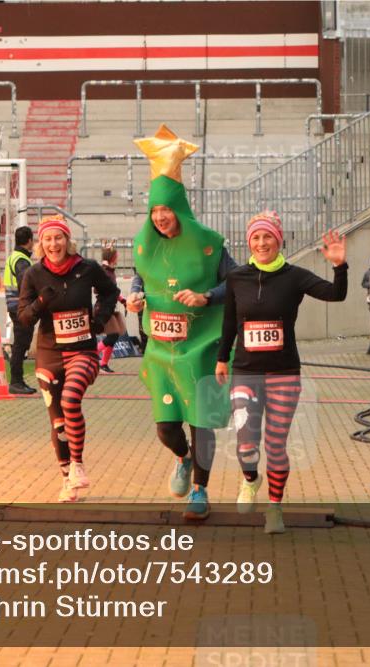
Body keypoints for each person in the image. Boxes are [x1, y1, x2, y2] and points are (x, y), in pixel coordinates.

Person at [126, 124, 237, 520]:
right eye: (154, 212)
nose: (160, 218)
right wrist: (135, 295)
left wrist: (207, 296)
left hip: (203, 345)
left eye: (166, 211)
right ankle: (182, 458)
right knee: (166, 428)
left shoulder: (210, 242)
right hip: (161, 350)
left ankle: (201, 492)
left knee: (201, 422)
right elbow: (140, 275)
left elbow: (235, 282)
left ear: (180, 210)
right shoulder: (143, 243)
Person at [215, 212, 348, 534]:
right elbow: (230, 322)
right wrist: (222, 359)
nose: (262, 243)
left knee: (275, 445)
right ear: (249, 243)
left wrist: (339, 265)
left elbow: (336, 294)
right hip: (245, 372)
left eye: (268, 237)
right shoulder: (237, 277)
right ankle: (250, 479)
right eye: (256, 238)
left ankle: (274, 508)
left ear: (279, 240)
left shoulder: (295, 276)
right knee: (246, 442)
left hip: (284, 373)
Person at [17, 215, 119, 502]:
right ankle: (67, 479)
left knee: (70, 399)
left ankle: (77, 464)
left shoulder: (86, 268)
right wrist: (40, 302)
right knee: (58, 423)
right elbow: (23, 318)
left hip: (82, 350)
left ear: (67, 240)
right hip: (49, 354)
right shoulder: (33, 275)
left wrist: (99, 319)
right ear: (40, 244)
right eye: (47, 239)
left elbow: (110, 291)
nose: (53, 244)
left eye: (58, 238)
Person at [3, 225, 37, 394]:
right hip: (20, 307)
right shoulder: (22, 260)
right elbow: (26, 283)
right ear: (29, 241)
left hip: (14, 305)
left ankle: (17, 380)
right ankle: (16, 381)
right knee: (21, 344)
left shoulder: (14, 257)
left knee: (21, 343)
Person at [95, 245, 128, 373]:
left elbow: (113, 291)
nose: (118, 258)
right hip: (103, 308)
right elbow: (98, 289)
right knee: (113, 335)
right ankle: (92, 354)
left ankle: (103, 364)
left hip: (109, 307)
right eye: (116, 256)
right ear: (112, 257)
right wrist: (114, 295)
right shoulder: (104, 271)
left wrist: (122, 300)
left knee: (114, 335)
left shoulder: (110, 271)